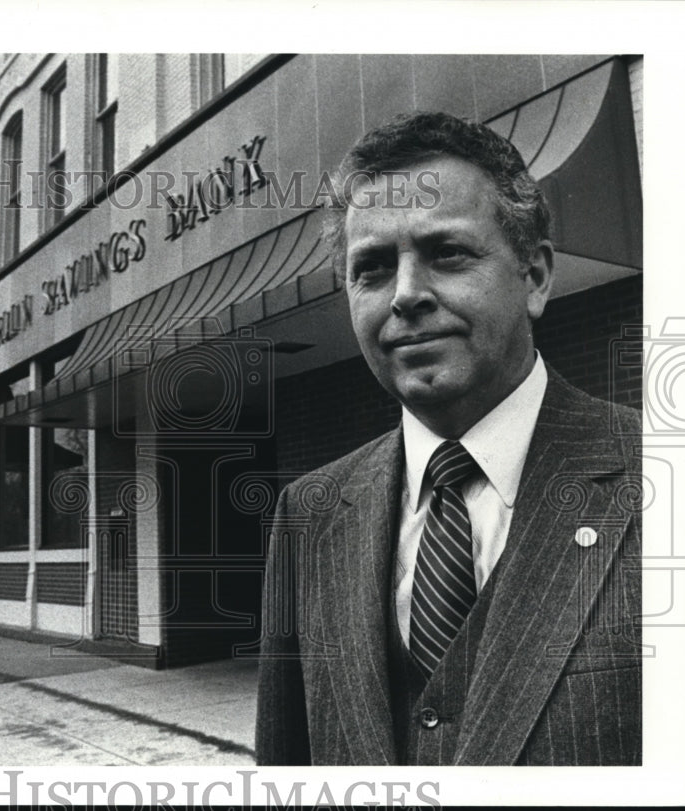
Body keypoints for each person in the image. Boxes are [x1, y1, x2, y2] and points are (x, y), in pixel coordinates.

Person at [255, 112, 642, 766]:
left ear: (536, 277)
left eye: (448, 253)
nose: (406, 294)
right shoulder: (308, 514)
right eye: (372, 268)